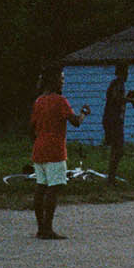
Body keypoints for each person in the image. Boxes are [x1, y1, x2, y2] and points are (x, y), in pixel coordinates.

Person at [28, 68, 85, 239]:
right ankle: (48, 228)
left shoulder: (38, 101)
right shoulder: (60, 101)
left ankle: (40, 228)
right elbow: (75, 122)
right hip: (55, 150)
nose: (63, 81)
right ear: (54, 81)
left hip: (39, 148)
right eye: (61, 78)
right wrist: (84, 113)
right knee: (54, 188)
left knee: (41, 187)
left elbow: (31, 128)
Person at [101, 62, 134, 184]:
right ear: (122, 73)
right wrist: (130, 100)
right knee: (118, 149)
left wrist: (128, 98)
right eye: (126, 73)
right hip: (113, 120)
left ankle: (111, 176)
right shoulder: (117, 83)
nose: (127, 76)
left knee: (116, 149)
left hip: (113, 119)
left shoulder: (117, 84)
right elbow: (116, 99)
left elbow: (117, 100)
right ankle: (111, 177)